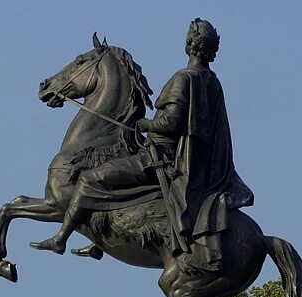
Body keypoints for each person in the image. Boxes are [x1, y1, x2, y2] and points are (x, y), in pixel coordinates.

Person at [31, 18, 253, 271]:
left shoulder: (184, 78)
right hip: (186, 161)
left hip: (160, 156)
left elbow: (170, 123)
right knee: (116, 172)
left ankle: (61, 238)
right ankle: (99, 242)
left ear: (189, 45)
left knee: (91, 179)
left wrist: (144, 124)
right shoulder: (212, 82)